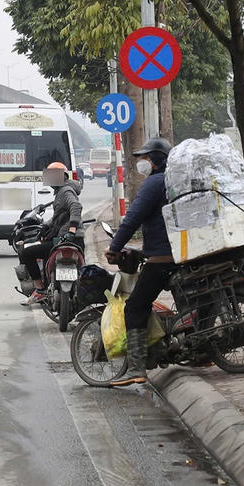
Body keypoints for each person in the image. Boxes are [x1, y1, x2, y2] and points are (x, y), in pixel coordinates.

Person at [104, 137, 174, 381]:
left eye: (144, 158)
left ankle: (136, 369)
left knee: (135, 307)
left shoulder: (154, 183)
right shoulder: (175, 181)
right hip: (183, 253)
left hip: (164, 258)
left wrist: (115, 247)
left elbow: (132, 218)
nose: (141, 163)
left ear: (154, 161)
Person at [20, 161, 84, 306]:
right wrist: (45, 226)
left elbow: (76, 206)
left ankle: (40, 289)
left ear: (61, 177)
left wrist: (72, 230)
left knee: (27, 253)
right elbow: (59, 216)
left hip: (67, 239)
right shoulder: (63, 191)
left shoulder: (65, 191)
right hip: (75, 240)